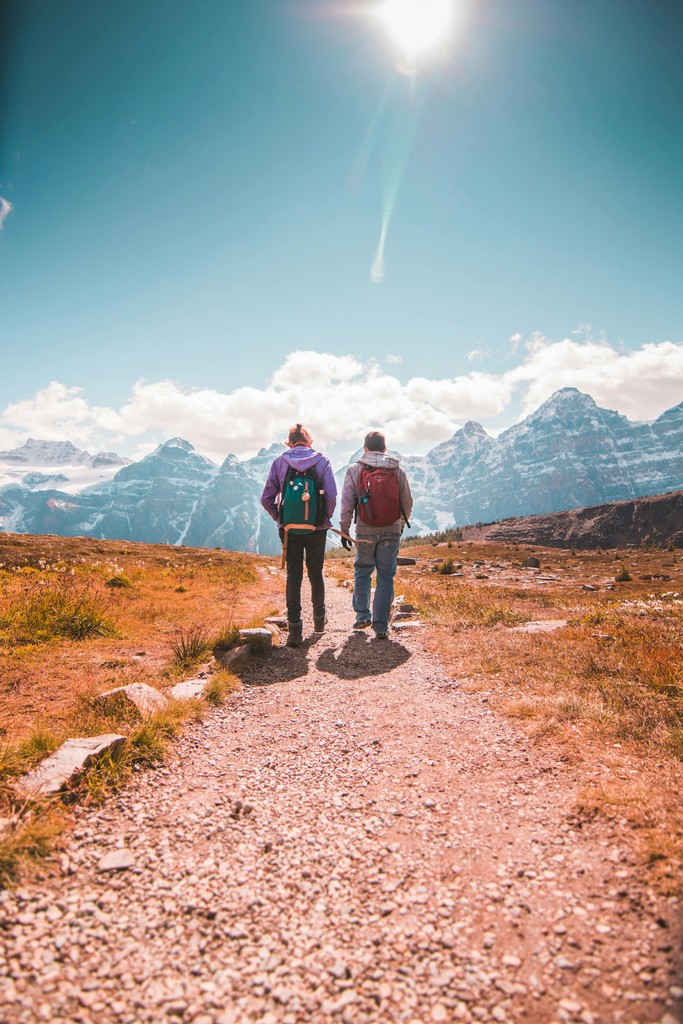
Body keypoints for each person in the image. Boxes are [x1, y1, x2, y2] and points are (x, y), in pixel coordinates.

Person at [261, 424, 337, 647]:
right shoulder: (322, 461)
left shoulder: (279, 462)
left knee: (294, 576)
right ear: (309, 441)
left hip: (290, 530)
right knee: (316, 573)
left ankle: (295, 630)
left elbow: (266, 499)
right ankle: (319, 622)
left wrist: (280, 519)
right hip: (317, 529)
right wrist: (323, 519)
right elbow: (331, 496)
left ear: (290, 442)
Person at [339, 430, 413, 639]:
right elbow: (407, 502)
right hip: (391, 529)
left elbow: (347, 502)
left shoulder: (355, 469)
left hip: (364, 530)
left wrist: (345, 530)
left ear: (365, 448)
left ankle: (363, 615)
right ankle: (381, 625)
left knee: (362, 571)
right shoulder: (397, 470)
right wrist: (398, 526)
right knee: (386, 576)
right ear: (384, 449)